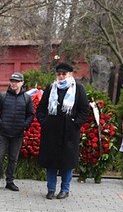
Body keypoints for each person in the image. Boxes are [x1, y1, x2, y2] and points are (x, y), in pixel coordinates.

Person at [36, 62, 90, 199]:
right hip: (51, 132)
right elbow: (41, 109)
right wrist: (45, 122)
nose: (61, 76)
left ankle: (65, 190)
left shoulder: (78, 88)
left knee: (67, 163)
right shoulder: (51, 88)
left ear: (70, 74)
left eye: (63, 74)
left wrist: (75, 124)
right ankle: (51, 189)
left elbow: (84, 111)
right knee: (51, 162)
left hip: (69, 132)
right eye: (59, 74)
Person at [0, 72, 34, 191]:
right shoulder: (2, 96)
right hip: (3, 133)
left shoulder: (27, 98)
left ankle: (10, 181)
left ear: (22, 83)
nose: (14, 83)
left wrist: (24, 126)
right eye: (12, 81)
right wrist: (1, 123)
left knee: (13, 159)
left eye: (17, 81)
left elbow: (31, 115)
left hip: (17, 134)